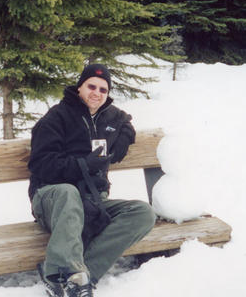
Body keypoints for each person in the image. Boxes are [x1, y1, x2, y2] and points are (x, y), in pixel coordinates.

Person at [28, 63, 156, 297]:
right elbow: (40, 164)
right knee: (68, 192)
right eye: (91, 86)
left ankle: (81, 275)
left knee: (143, 213)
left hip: (92, 201)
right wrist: (83, 165)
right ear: (80, 87)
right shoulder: (56, 117)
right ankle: (60, 274)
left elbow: (125, 120)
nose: (96, 93)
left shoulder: (109, 116)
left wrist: (126, 134)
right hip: (52, 199)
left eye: (103, 89)